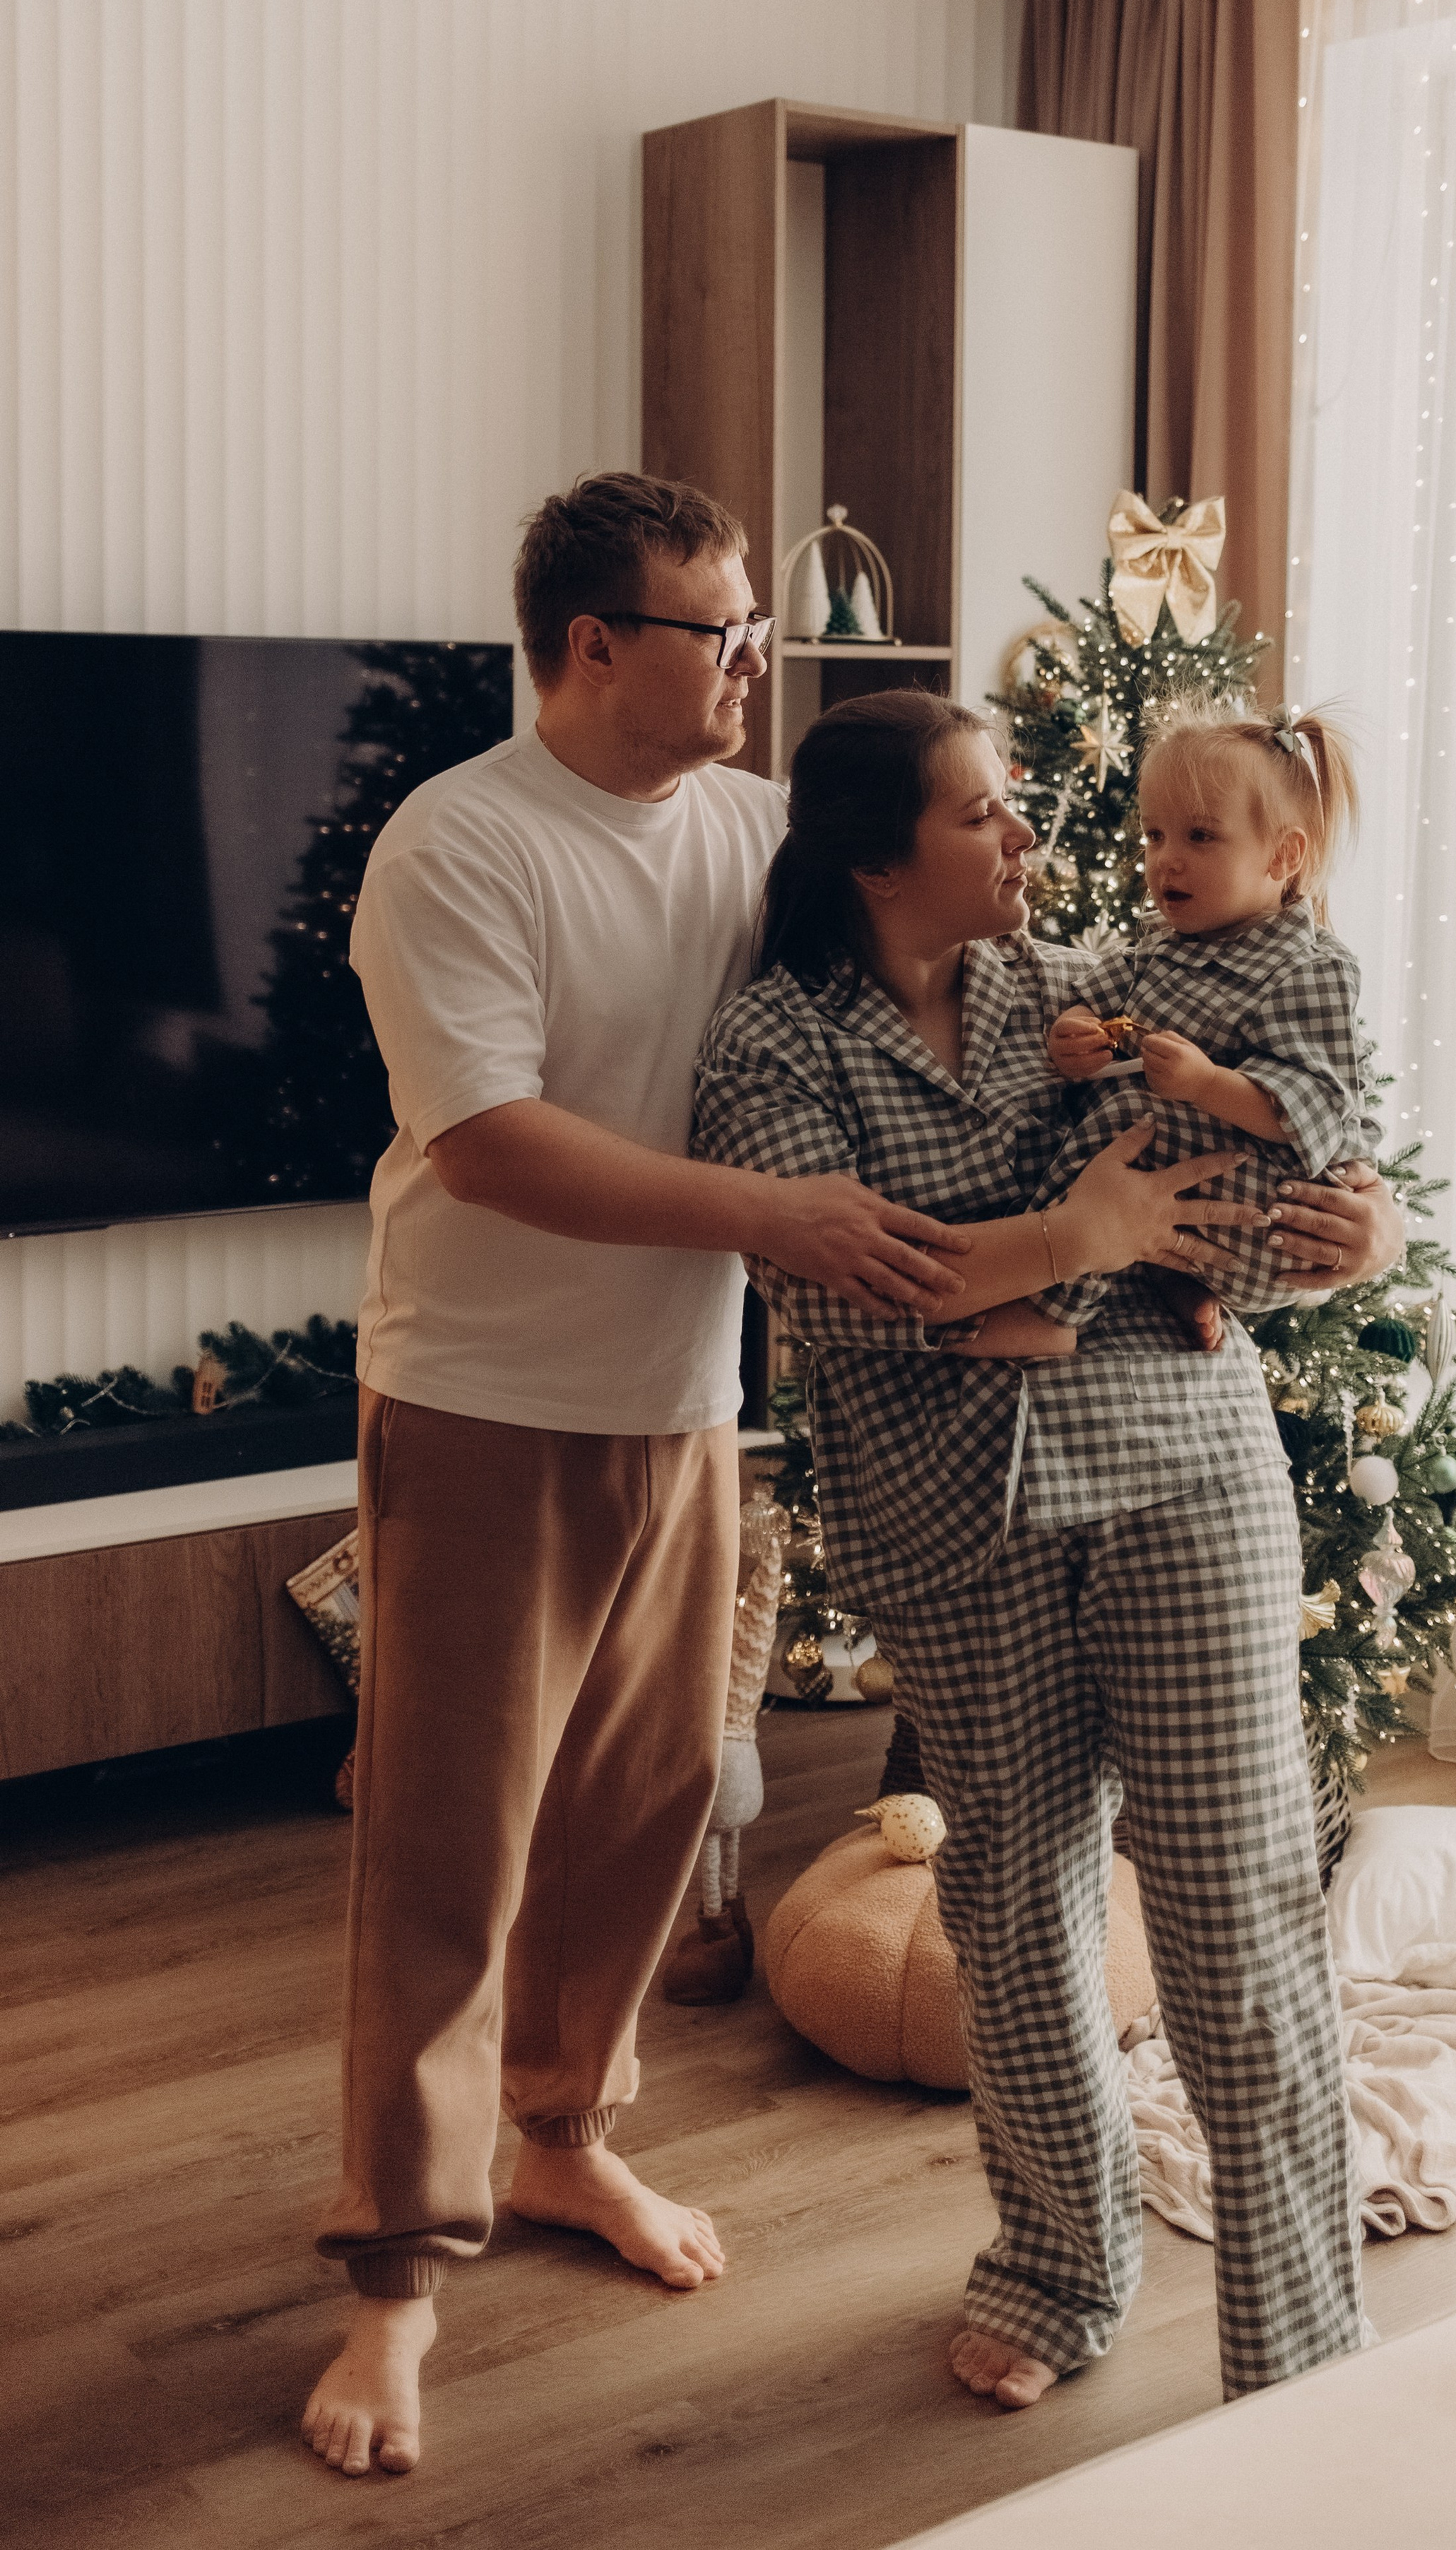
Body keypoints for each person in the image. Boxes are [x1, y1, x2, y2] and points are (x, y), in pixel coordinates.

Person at [302, 472, 989, 2481]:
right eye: (726, 630)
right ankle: (393, 2283)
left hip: (685, 1406)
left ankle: (561, 2147)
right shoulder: (459, 845)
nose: (760, 659)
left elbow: (918, 973)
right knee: (452, 1858)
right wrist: (780, 1216)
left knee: (642, 1813)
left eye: (761, 623)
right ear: (597, 648)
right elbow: (496, 1141)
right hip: (487, 1400)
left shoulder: (760, 831)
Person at [692, 690, 1404, 2413]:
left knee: (1237, 1910)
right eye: (982, 814)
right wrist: (1078, 1239)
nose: (1029, 836)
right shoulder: (774, 1046)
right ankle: (1059, 2255)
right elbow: (833, 1291)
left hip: (1183, 1476)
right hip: (952, 1523)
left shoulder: (1079, 987)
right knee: (1010, 1905)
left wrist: (1349, 1224)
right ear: (874, 857)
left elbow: (1263, 1132)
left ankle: (1302, 2347)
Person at [1042, 697, 1371, 1318]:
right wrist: (1075, 1031)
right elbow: (1092, 999)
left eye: (1200, 836)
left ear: (1283, 857)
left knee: (1128, 1115)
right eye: (1154, 834)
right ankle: (1175, 1281)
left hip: (1267, 1220)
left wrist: (1205, 1083)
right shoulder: (1157, 948)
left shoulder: (1309, 967)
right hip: (1170, 1208)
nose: (1166, 858)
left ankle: (1053, 1306)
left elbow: (1319, 1111)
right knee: (1119, 1117)